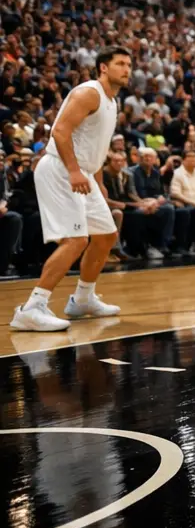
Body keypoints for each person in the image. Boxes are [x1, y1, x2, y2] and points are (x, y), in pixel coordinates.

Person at [10, 47, 131, 332]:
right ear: (103, 67)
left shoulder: (112, 102)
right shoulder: (88, 93)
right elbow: (60, 131)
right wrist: (75, 171)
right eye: (120, 64)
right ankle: (32, 308)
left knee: (106, 235)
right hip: (61, 169)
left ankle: (83, 299)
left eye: (129, 65)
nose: (127, 69)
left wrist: (98, 182)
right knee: (75, 240)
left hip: (83, 173)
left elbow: (95, 145)